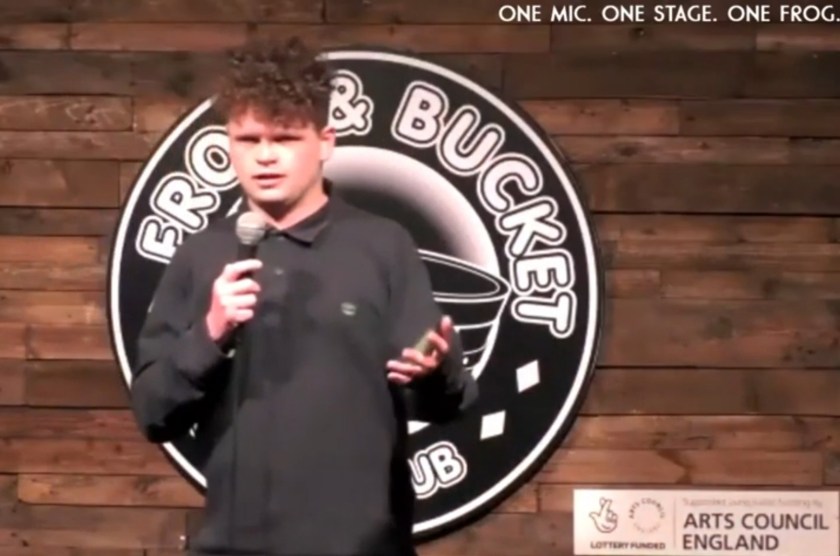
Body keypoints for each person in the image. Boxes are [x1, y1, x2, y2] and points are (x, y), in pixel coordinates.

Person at [128, 37, 479, 556]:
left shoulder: (382, 246)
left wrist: (438, 372)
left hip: (361, 544)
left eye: (286, 138)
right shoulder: (201, 255)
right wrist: (208, 336)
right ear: (228, 143)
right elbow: (153, 412)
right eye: (249, 140)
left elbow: (447, 396)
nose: (266, 156)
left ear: (326, 142)